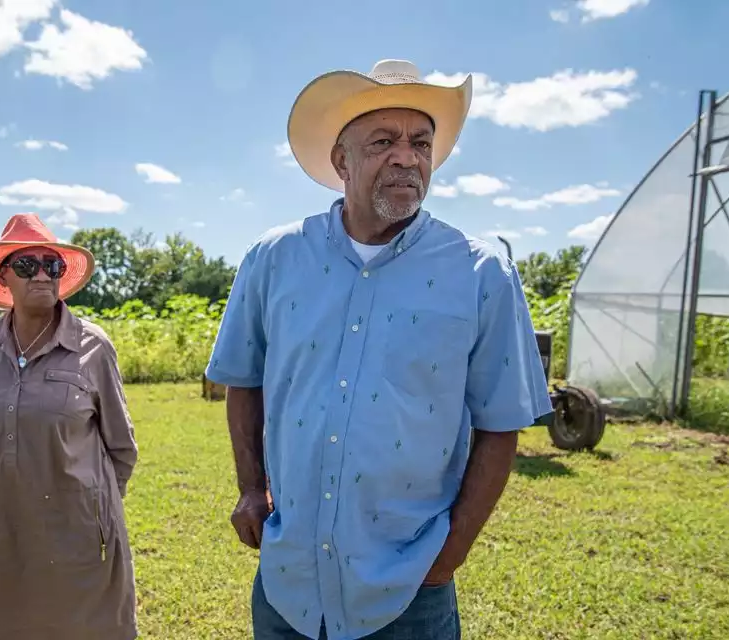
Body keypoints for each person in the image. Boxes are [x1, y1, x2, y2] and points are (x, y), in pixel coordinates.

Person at [204, 60, 553, 640]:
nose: (406, 157)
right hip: (289, 581)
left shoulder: (480, 271)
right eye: (383, 141)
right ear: (342, 161)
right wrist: (249, 487)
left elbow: (500, 424)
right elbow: (244, 378)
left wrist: (451, 554)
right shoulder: (274, 258)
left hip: (410, 588)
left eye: (421, 143)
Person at [0, 212, 139, 640]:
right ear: (4, 276)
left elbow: (121, 448)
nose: (42, 275)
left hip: (74, 533)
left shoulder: (92, 347)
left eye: (52, 265)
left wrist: (89, 509)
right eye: (27, 265)